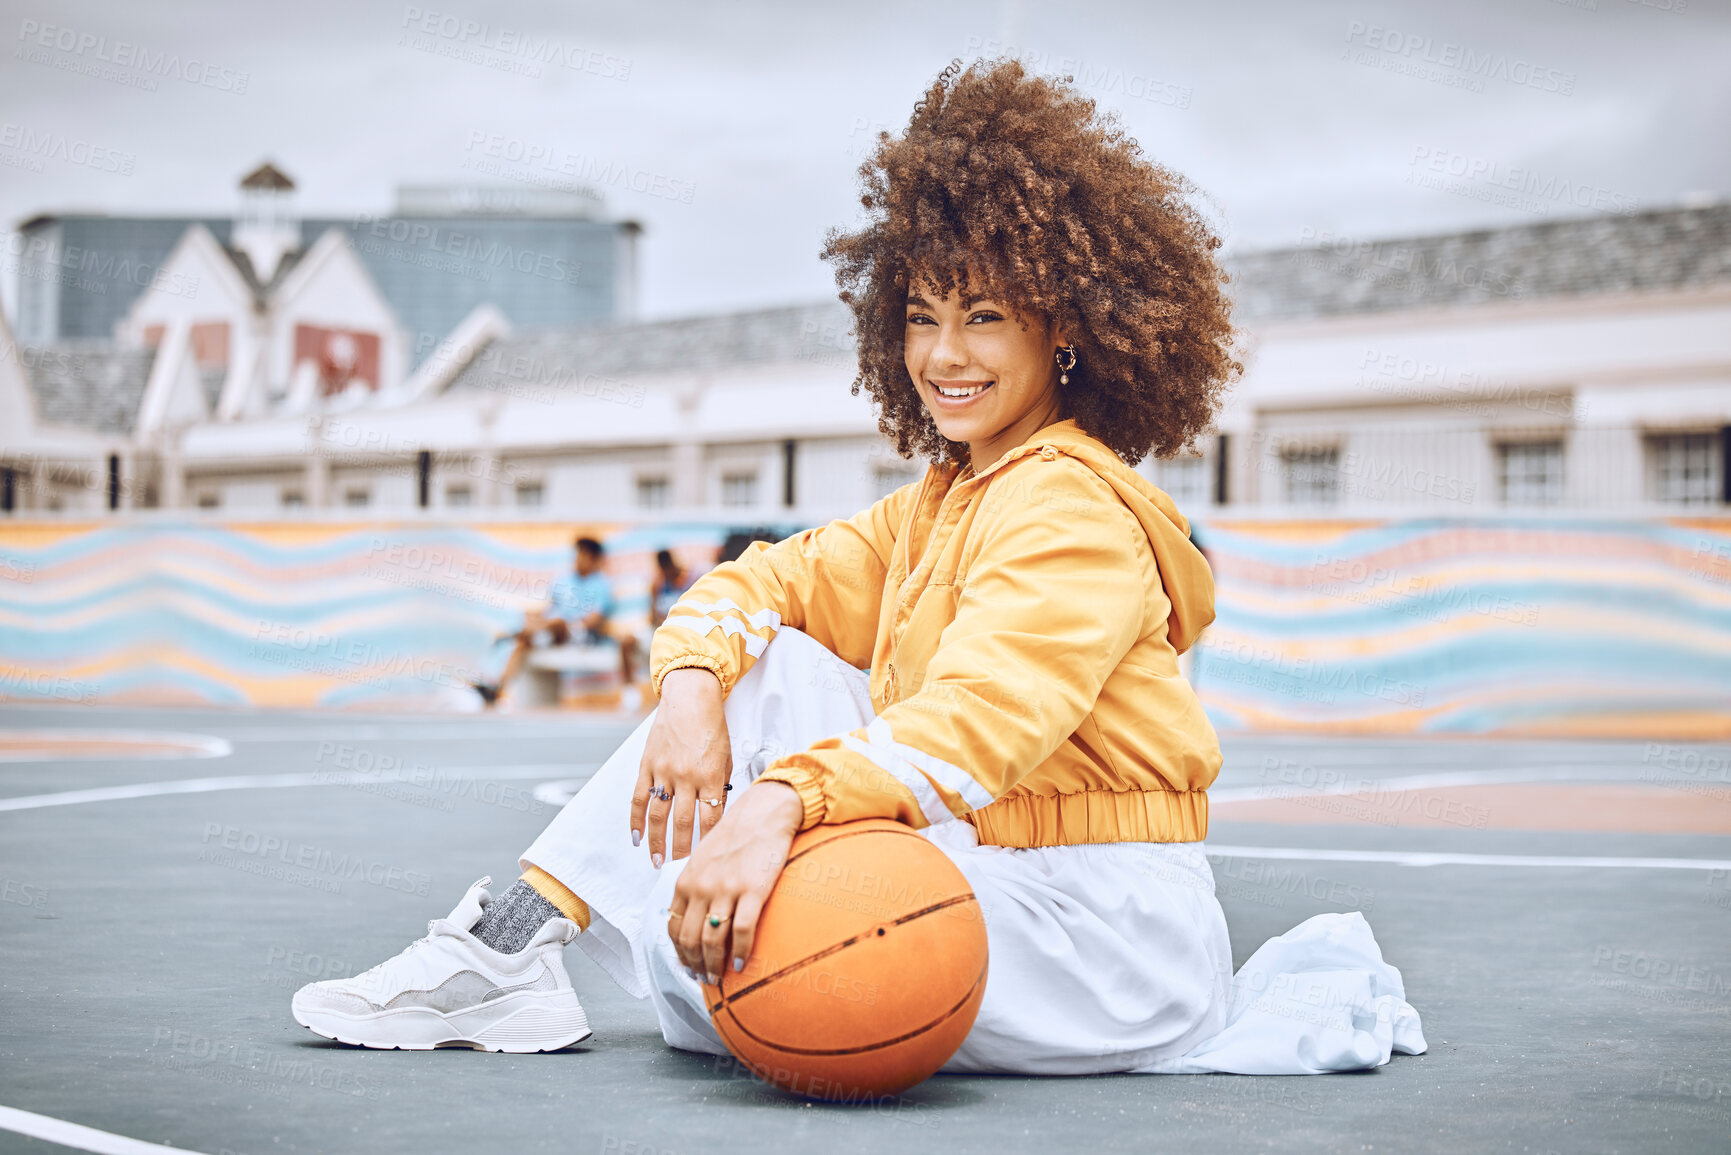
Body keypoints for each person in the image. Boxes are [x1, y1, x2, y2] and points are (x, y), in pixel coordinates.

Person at [294, 59, 1424, 1075]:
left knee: (724, 957)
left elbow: (980, 718)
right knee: (765, 690)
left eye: (984, 316)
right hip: (1001, 878)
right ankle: (516, 948)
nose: (942, 355)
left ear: (1065, 331)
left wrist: (780, 800)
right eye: (922, 316)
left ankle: (520, 962)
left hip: (1103, 933)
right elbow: (755, 588)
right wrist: (690, 692)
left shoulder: (1071, 508)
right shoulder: (943, 503)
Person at [472, 536, 624, 708]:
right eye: (578, 554)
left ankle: (512, 634)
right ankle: (497, 688)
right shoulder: (563, 580)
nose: (578, 559)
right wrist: (535, 618)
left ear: (594, 559)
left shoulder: (601, 584)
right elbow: (549, 609)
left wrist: (567, 624)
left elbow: (595, 620)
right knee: (523, 642)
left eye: (583, 554)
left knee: (555, 623)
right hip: (552, 632)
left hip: (581, 634)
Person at [649, 548, 693, 629]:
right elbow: (653, 616)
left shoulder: (690, 578)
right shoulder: (658, 585)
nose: (668, 570)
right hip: (669, 628)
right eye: (664, 567)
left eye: (669, 565)